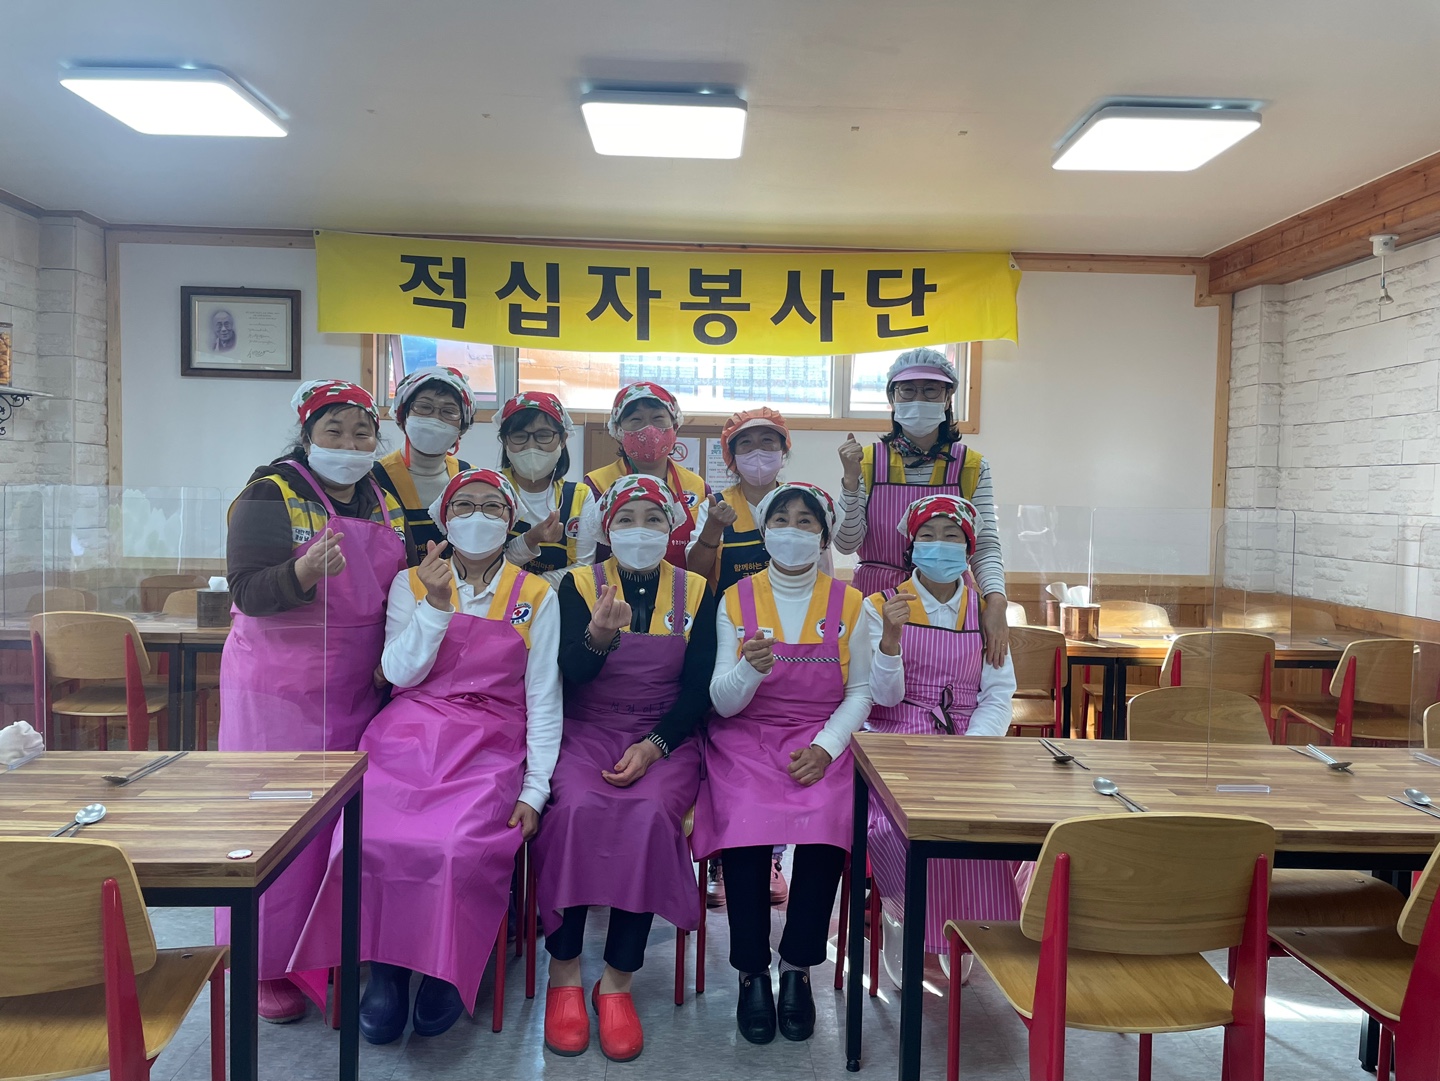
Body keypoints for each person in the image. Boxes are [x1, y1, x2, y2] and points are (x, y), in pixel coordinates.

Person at [289, 468, 560, 1043]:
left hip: (489, 743)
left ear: (510, 521)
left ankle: (445, 967)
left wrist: (535, 789)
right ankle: (385, 969)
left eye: (492, 507)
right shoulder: (411, 582)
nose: (478, 517)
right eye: (465, 506)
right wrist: (436, 607)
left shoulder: (538, 596)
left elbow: (544, 698)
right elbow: (398, 672)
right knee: (365, 838)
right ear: (444, 518)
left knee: (454, 845)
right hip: (407, 733)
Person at [220, 379, 410, 1023]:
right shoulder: (268, 492)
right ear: (307, 434)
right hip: (277, 691)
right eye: (334, 431)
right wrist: (301, 572)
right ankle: (263, 963)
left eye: (363, 433)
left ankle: (327, 950)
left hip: (357, 686)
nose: (350, 444)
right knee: (273, 826)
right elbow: (246, 590)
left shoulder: (382, 497)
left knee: (337, 825)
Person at [531, 474, 716, 1063]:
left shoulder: (698, 590)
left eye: (654, 519)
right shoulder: (576, 585)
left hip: (665, 737)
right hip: (585, 730)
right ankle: (564, 971)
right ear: (606, 529)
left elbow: (699, 688)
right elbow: (568, 674)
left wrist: (656, 745)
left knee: (649, 814)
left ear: (672, 528)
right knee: (574, 810)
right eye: (627, 519)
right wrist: (596, 637)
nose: (641, 530)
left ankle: (617, 981)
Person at [691, 482, 871, 1046]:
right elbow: (722, 701)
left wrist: (826, 747)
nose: (793, 531)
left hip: (821, 738)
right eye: (782, 520)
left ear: (823, 535)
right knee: (744, 824)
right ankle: (751, 972)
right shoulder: (735, 599)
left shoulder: (851, 603)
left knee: (828, 826)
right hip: (745, 738)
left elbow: (861, 692)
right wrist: (749, 670)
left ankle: (797, 966)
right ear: (764, 530)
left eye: (806, 521)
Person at [862, 494, 1019, 988]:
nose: (939, 545)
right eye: (927, 535)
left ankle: (964, 928)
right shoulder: (881, 606)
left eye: (952, 536)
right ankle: (901, 917)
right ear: (911, 547)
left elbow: (998, 693)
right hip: (898, 736)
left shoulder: (987, 614)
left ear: (969, 549)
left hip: (970, 742)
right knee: (895, 828)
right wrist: (890, 642)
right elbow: (881, 696)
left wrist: (972, 747)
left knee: (986, 824)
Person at [686, 407, 821, 908]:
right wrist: (712, 530)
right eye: (746, 444)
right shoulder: (718, 505)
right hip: (726, 633)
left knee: (789, 757)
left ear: (785, 452)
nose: (758, 453)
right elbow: (695, 573)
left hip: (797, 639)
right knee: (728, 739)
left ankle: (774, 857)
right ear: (730, 455)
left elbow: (825, 576)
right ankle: (726, 857)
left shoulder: (802, 503)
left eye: (769, 443)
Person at [833, 347, 1011, 667]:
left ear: (947, 399)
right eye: (908, 390)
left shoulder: (971, 467)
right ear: (892, 399)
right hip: (876, 601)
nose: (919, 398)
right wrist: (850, 481)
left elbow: (984, 547)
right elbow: (846, 544)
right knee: (876, 685)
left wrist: (996, 602)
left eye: (931, 390)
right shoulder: (866, 462)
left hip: (949, 602)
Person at [582, 381, 709, 568]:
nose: (649, 429)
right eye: (636, 420)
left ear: (675, 426)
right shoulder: (596, 484)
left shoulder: (697, 486)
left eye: (658, 418)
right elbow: (587, 557)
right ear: (617, 430)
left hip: (682, 585)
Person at [372, 365, 474, 554]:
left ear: (462, 426)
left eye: (449, 411)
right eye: (424, 407)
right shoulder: (373, 478)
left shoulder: (471, 479)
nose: (435, 419)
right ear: (403, 416)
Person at [498, 390, 597, 585]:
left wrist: (530, 590)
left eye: (543, 435)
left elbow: (583, 569)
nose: (531, 446)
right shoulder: (490, 490)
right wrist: (530, 540)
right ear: (505, 440)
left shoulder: (579, 496)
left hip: (558, 601)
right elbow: (485, 565)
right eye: (519, 435)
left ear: (563, 440)